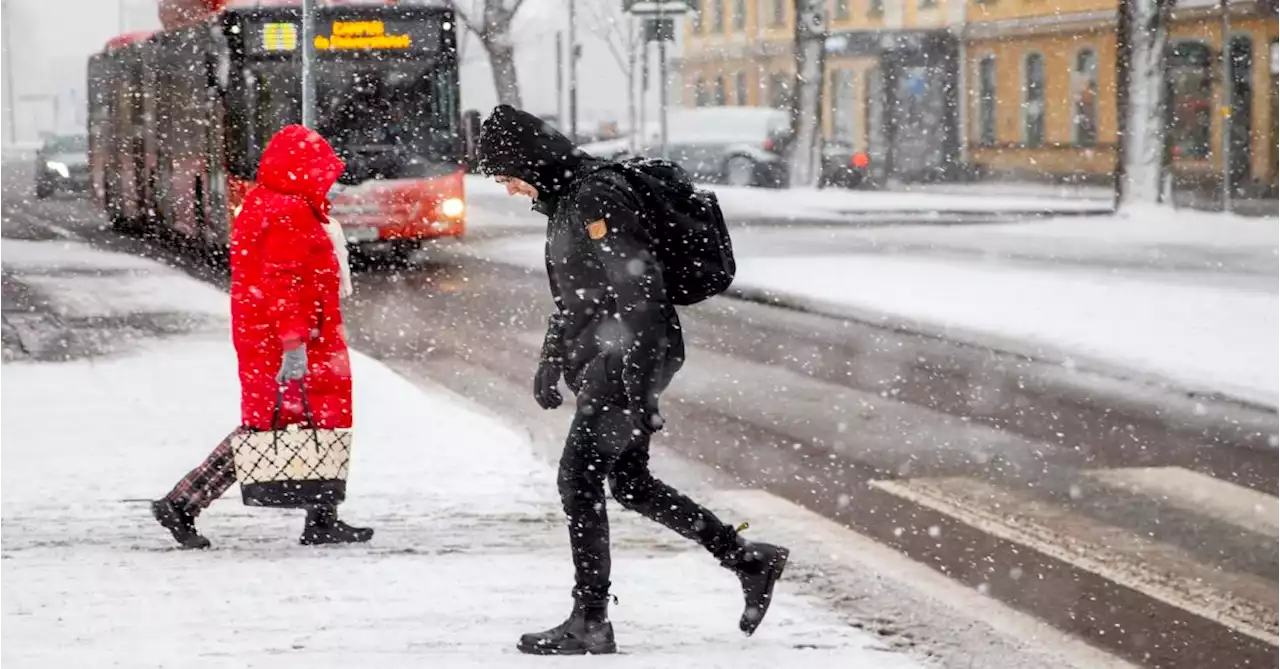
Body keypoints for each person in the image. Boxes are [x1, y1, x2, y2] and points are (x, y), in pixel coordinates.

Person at [476, 104, 790, 655]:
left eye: (507, 177)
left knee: (577, 482)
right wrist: (552, 357)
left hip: (626, 358)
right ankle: (748, 559)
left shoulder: (596, 198)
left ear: (529, 162)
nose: (508, 189)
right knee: (629, 483)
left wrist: (637, 387)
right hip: (613, 356)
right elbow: (580, 295)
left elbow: (638, 296)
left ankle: (591, 620)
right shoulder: (568, 201)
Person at [150, 124, 372, 550]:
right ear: (299, 170)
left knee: (315, 423)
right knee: (269, 427)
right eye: (322, 171)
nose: (329, 179)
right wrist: (293, 345)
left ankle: (322, 518)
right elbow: (282, 283)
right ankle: (182, 503)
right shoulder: (287, 211)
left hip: (292, 335)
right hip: (289, 340)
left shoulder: (273, 203)